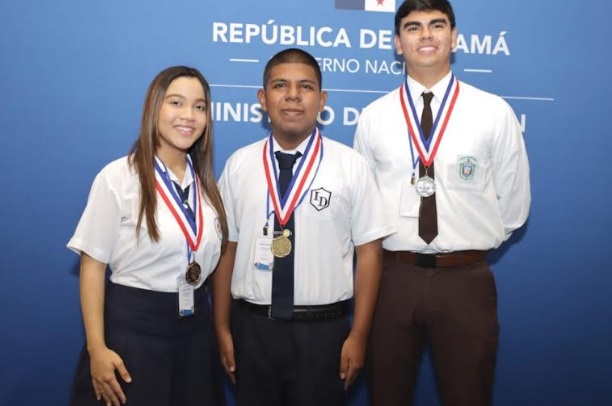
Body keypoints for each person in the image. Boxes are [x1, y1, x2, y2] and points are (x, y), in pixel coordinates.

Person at [353, 1, 531, 405]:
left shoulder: (493, 112)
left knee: (469, 393)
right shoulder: (374, 118)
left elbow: (514, 203)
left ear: (454, 37)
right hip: (392, 279)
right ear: (398, 43)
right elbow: (361, 208)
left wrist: (467, 244)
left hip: (465, 279)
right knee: (387, 394)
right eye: (413, 27)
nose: (426, 35)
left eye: (437, 25)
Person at [213, 48, 394, 406]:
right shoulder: (239, 165)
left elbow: (369, 255)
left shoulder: (351, 166)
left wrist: (359, 335)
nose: (293, 95)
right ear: (262, 99)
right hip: (252, 328)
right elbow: (226, 249)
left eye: (306, 86)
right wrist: (221, 328)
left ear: (322, 99)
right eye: (280, 85)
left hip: (323, 334)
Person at [67, 66, 228, 406]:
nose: (189, 115)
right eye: (176, 103)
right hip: (133, 336)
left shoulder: (206, 188)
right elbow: (92, 267)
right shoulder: (118, 177)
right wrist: (97, 348)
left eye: (199, 107)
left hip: (195, 336)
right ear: (154, 107)